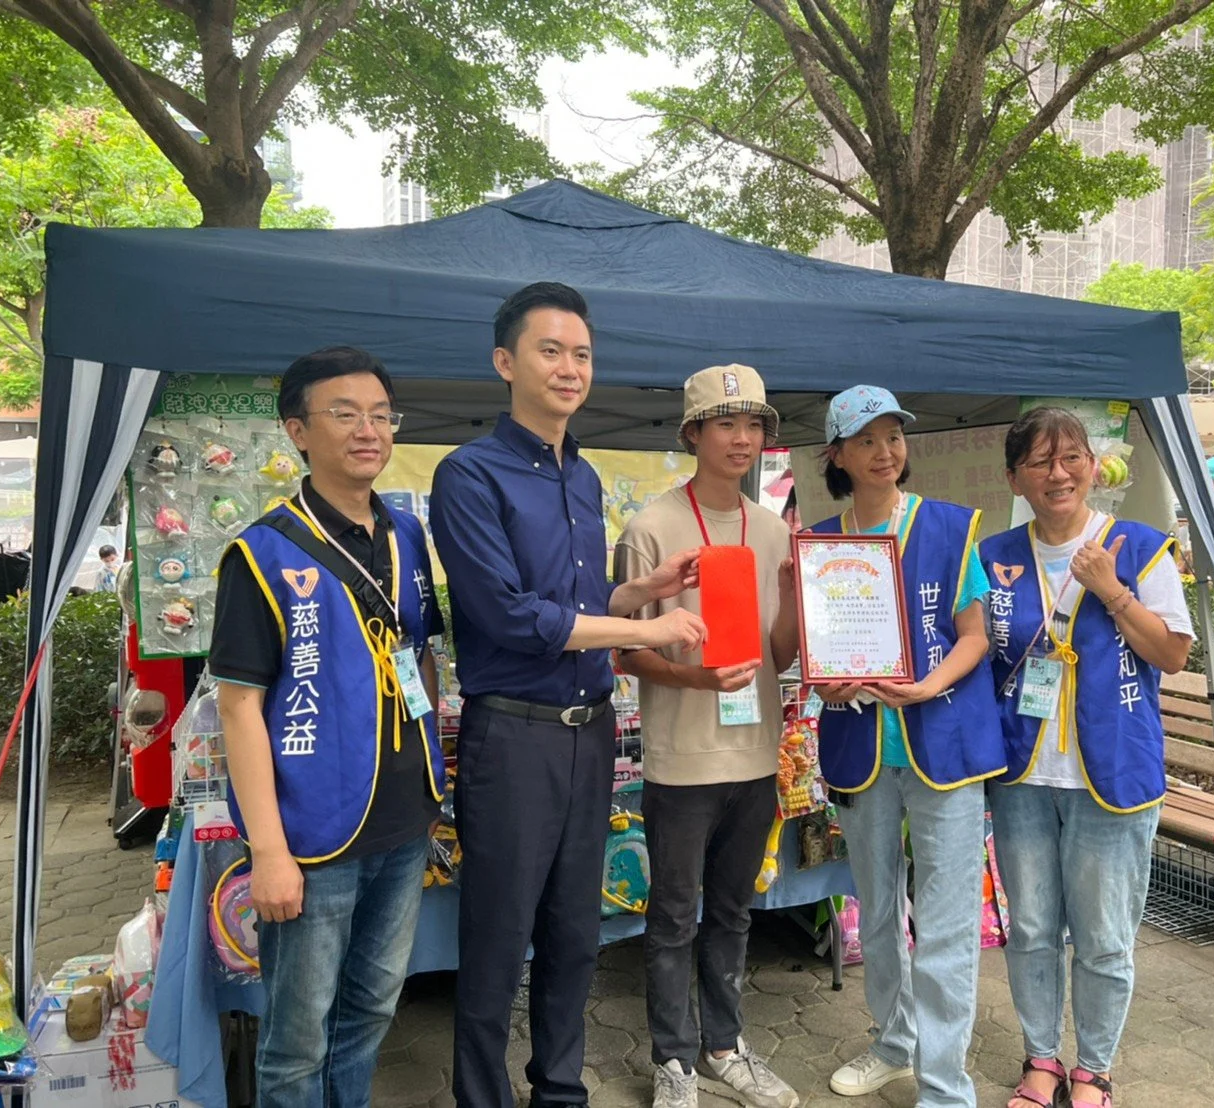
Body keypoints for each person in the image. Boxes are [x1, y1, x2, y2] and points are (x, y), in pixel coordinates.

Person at [431, 282, 708, 1108]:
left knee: (574, 934)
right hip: (512, 738)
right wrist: (646, 633)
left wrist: (643, 591)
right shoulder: (469, 475)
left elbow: (580, 610)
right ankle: (482, 1098)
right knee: (497, 940)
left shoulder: (582, 478)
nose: (569, 367)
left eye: (581, 353)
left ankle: (560, 1090)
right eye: (550, 350)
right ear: (504, 362)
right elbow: (513, 618)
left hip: (591, 736)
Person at [210, 346, 447, 1108]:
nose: (368, 430)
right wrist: (268, 850)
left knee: (371, 1011)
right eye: (344, 413)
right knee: (297, 1036)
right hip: (313, 835)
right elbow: (239, 706)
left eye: (381, 415)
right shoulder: (261, 552)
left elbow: (421, 657)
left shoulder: (407, 533)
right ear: (297, 431)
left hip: (404, 824)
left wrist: (436, 780)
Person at [980, 406, 1194, 1108]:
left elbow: (1172, 654)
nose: (1057, 473)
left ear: (1095, 467)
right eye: (1039, 461)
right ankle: (1042, 1058)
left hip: (1113, 771)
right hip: (1021, 776)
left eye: (1070, 456)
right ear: (1015, 476)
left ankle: (1094, 1070)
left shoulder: (1140, 546)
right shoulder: (994, 557)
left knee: (1103, 938)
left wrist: (1111, 589)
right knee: (1035, 929)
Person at [811, 386, 1005, 1108]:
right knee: (878, 908)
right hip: (862, 742)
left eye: (894, 436)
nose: (886, 452)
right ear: (837, 454)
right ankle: (894, 1043)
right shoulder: (824, 547)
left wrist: (926, 689)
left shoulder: (951, 529)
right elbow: (822, 652)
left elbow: (975, 636)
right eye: (866, 440)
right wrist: (828, 683)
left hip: (942, 741)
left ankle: (945, 1086)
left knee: (950, 920)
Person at [614, 365, 800, 1108]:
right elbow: (626, 651)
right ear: (694, 433)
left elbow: (779, 655)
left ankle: (725, 1047)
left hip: (756, 754)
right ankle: (671, 1060)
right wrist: (695, 680)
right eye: (726, 423)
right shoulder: (650, 526)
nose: (743, 439)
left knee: (732, 910)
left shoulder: (773, 528)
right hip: (682, 759)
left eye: (754, 425)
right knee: (672, 916)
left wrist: (798, 599)